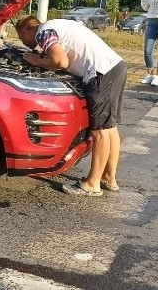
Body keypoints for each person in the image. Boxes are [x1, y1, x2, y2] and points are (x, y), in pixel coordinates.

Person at [16, 15, 126, 197]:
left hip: (100, 74)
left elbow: (61, 62)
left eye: (21, 38)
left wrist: (38, 62)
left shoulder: (43, 33)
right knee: (110, 127)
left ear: (26, 31)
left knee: (99, 131)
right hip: (115, 67)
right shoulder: (58, 24)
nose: (23, 42)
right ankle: (108, 178)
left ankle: (92, 184)